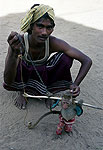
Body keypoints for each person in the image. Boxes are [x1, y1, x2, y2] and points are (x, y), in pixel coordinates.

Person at [3, 4, 92, 110]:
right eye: (40, 26)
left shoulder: (53, 42)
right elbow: (8, 81)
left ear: (52, 29)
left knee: (66, 58)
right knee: (19, 62)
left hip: (43, 74)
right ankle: (22, 91)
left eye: (49, 27)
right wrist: (13, 52)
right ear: (31, 27)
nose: (44, 32)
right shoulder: (19, 42)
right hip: (25, 76)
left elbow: (87, 60)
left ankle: (48, 92)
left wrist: (76, 84)